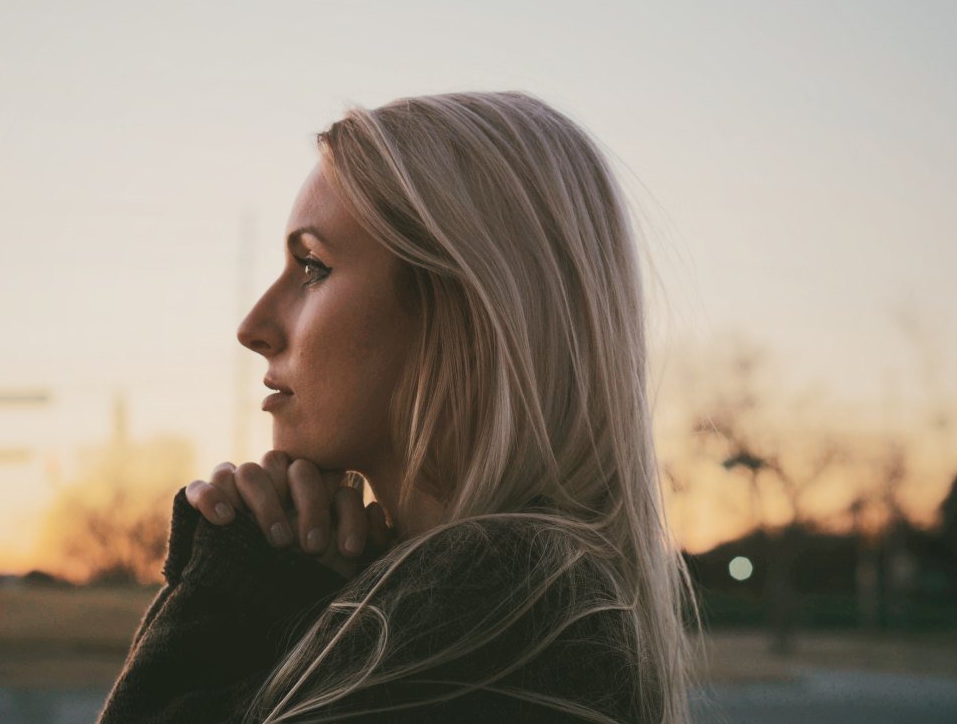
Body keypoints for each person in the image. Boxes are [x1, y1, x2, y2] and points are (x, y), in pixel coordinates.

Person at [97, 91, 695, 723]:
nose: (254, 326)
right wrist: (287, 593)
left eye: (313, 267)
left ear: (464, 310)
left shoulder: (490, 611)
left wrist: (223, 600)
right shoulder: (512, 609)